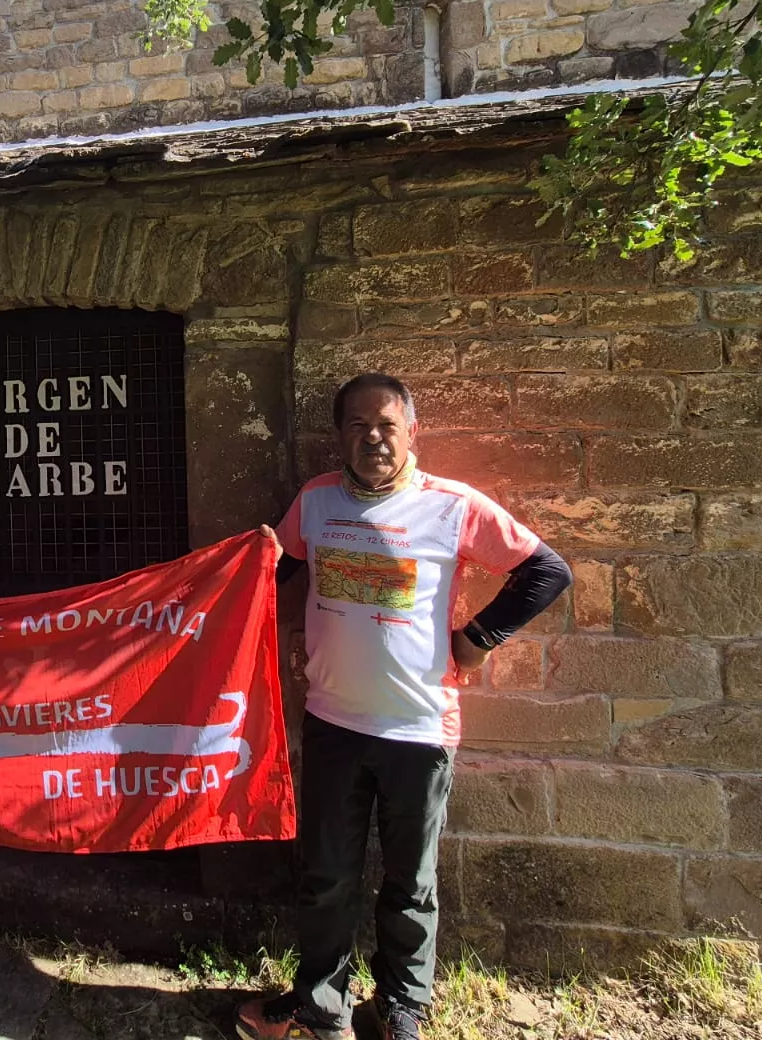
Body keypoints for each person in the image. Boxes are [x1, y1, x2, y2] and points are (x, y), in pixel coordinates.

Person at [237, 372, 570, 1040]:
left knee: (410, 885)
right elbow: (268, 573)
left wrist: (476, 639)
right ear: (339, 438)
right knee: (326, 877)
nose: (373, 438)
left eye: (386, 425)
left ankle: (399, 1010)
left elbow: (545, 571)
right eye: (357, 426)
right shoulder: (317, 501)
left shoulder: (450, 506)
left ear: (411, 432)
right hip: (332, 721)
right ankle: (317, 1008)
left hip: (420, 729)